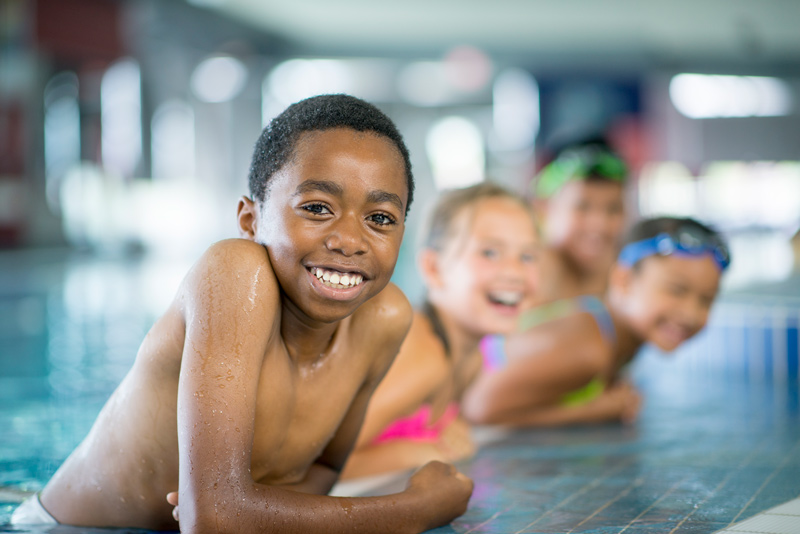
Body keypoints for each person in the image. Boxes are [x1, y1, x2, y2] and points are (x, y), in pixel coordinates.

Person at [12, 94, 473, 533]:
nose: (350, 239)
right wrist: (417, 509)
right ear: (251, 220)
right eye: (317, 208)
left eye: (380, 218)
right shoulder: (236, 274)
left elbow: (323, 471)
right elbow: (214, 520)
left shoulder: (386, 317)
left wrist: (242, 508)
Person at [341, 183, 540, 479]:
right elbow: (317, 466)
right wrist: (417, 453)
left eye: (527, 256)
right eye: (490, 252)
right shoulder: (421, 354)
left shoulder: (471, 358)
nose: (514, 272)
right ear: (433, 268)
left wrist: (443, 428)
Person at [462, 216, 730, 427]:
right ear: (624, 280)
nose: (690, 313)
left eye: (706, 300)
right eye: (677, 290)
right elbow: (478, 409)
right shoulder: (589, 348)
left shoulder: (612, 337)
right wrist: (592, 411)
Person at [531, 140, 629, 304]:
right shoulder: (526, 279)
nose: (599, 224)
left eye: (613, 209)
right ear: (544, 208)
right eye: (582, 207)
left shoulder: (628, 280)